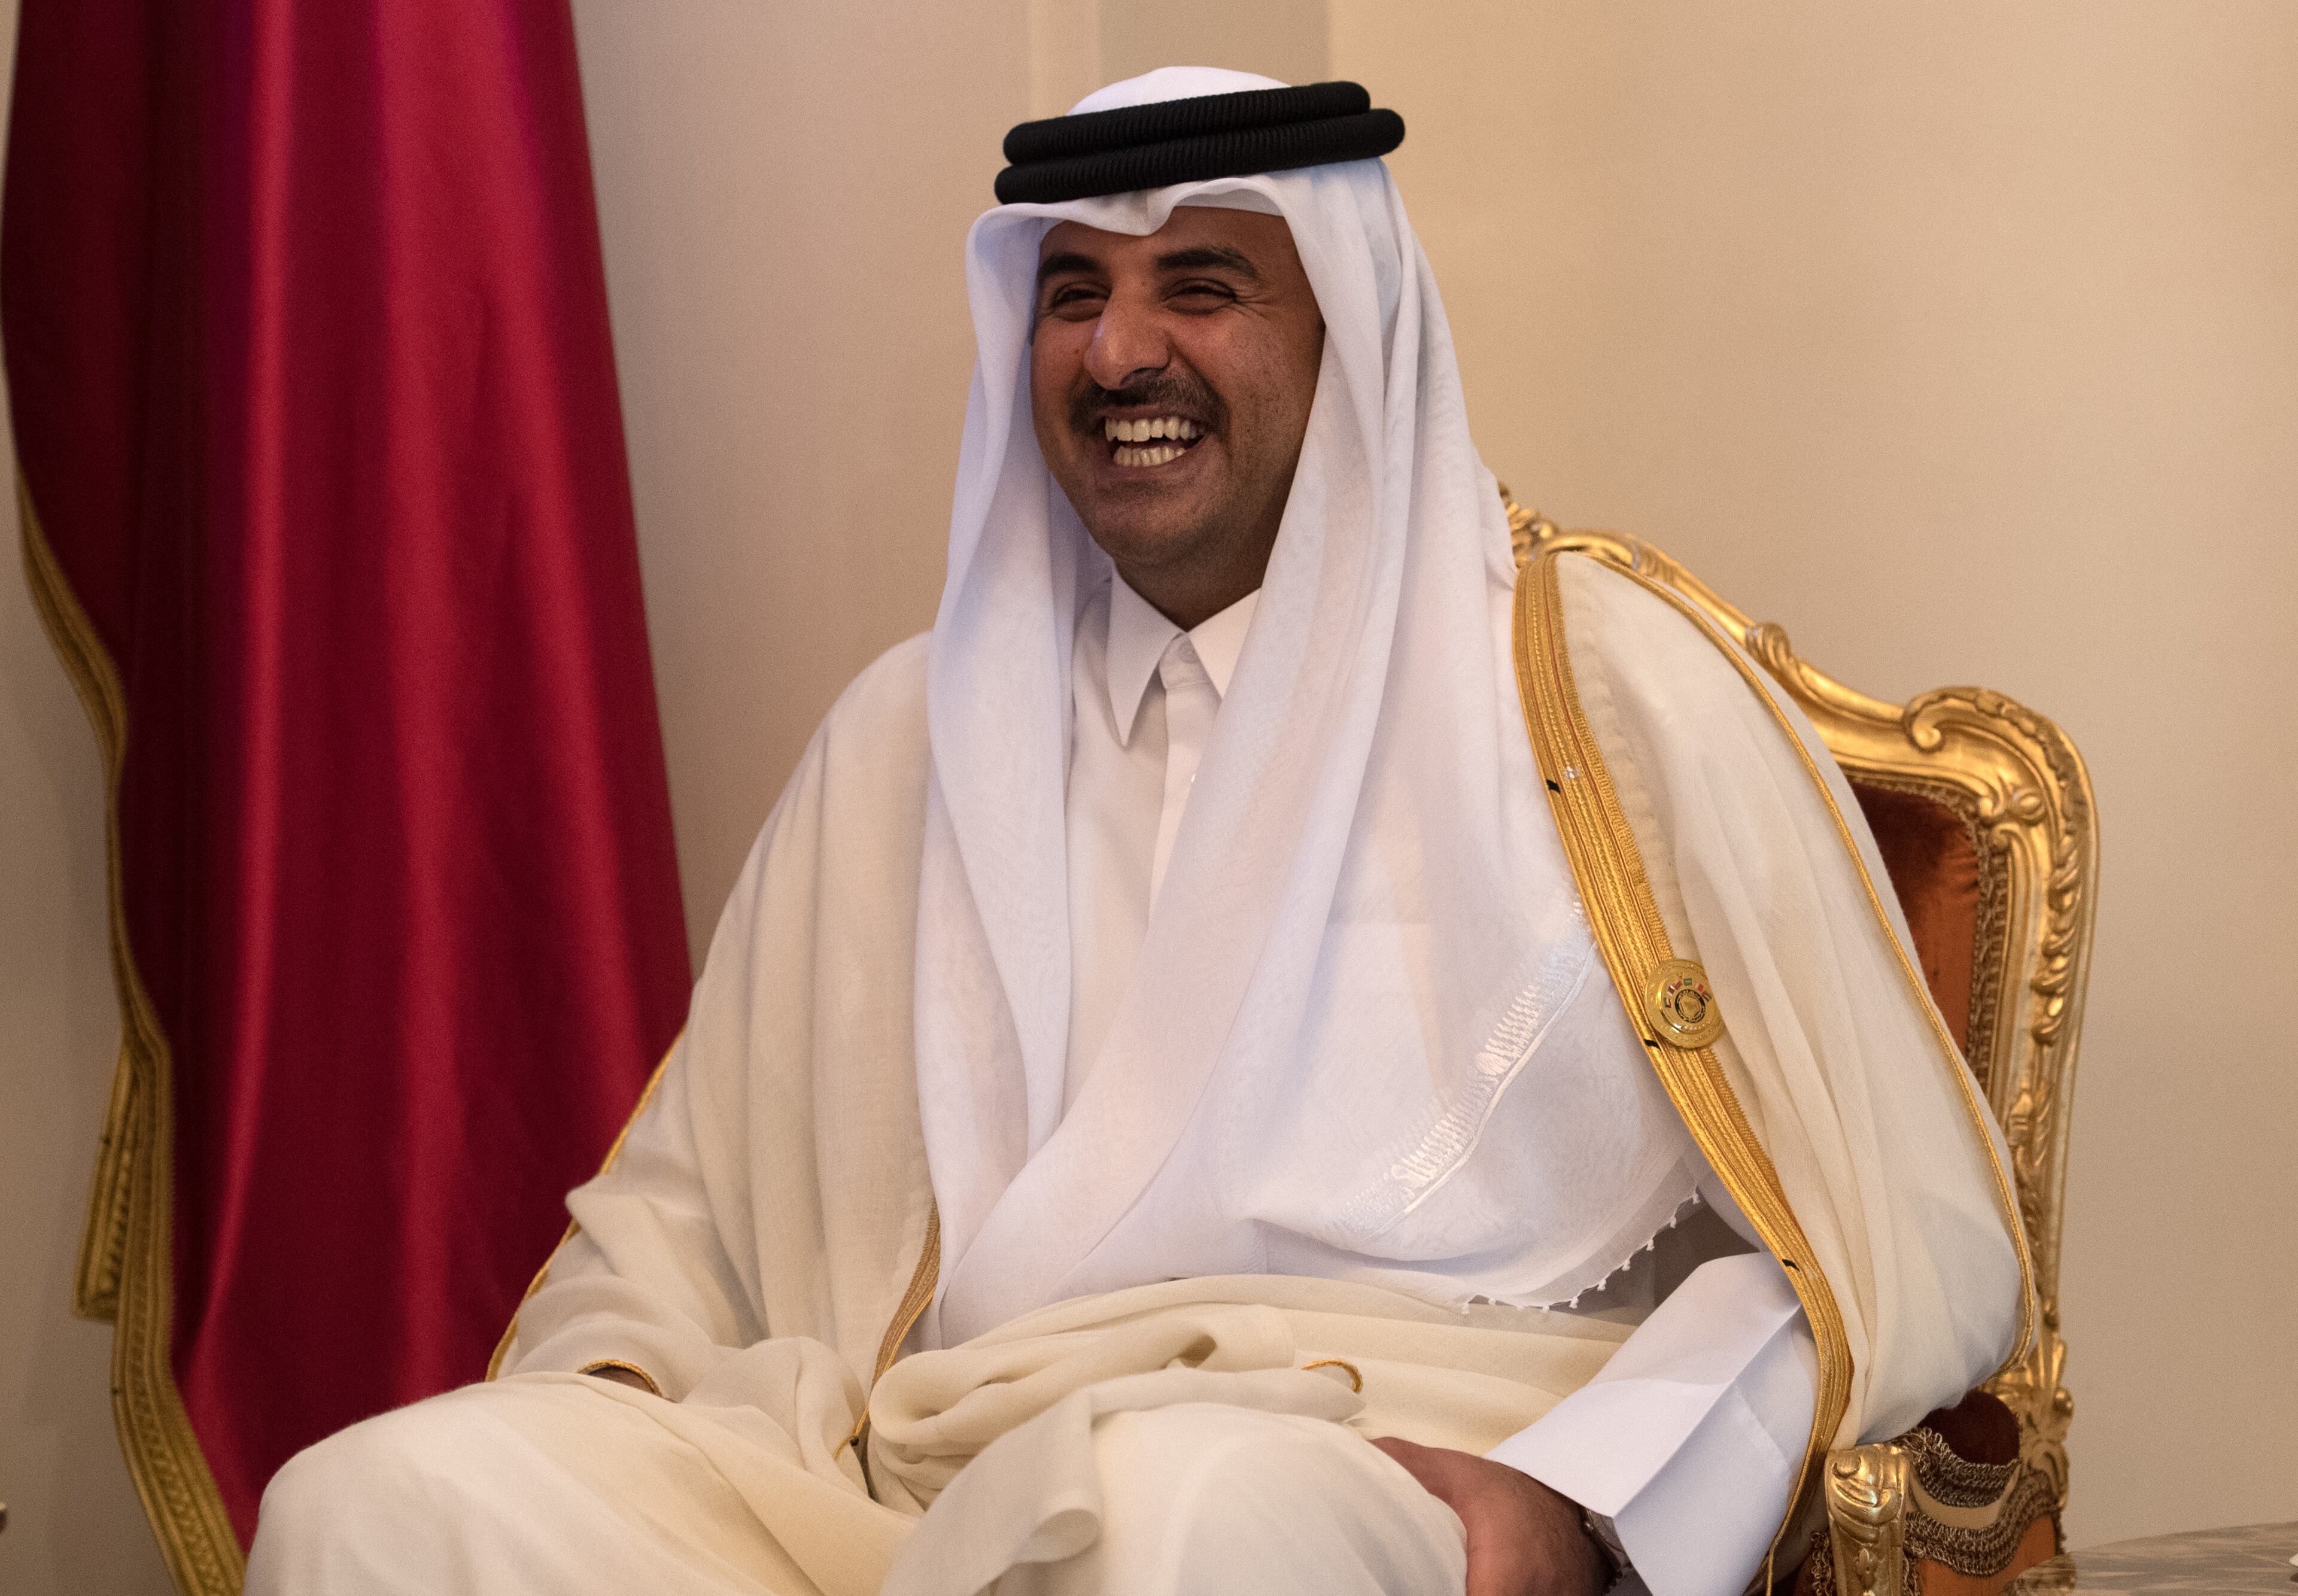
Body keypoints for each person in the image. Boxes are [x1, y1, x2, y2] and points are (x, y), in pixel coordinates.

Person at [245, 67, 2030, 1596]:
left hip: (1370, 1459)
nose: (1120, 352)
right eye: (1071, 291)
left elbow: (1876, 1254)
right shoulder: (902, 740)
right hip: (912, 1469)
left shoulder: (1600, 700)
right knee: (374, 1505)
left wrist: (1583, 1503)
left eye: (1202, 284)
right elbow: (680, 1217)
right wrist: (617, 1403)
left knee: (1183, 1509)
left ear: (1348, 330)